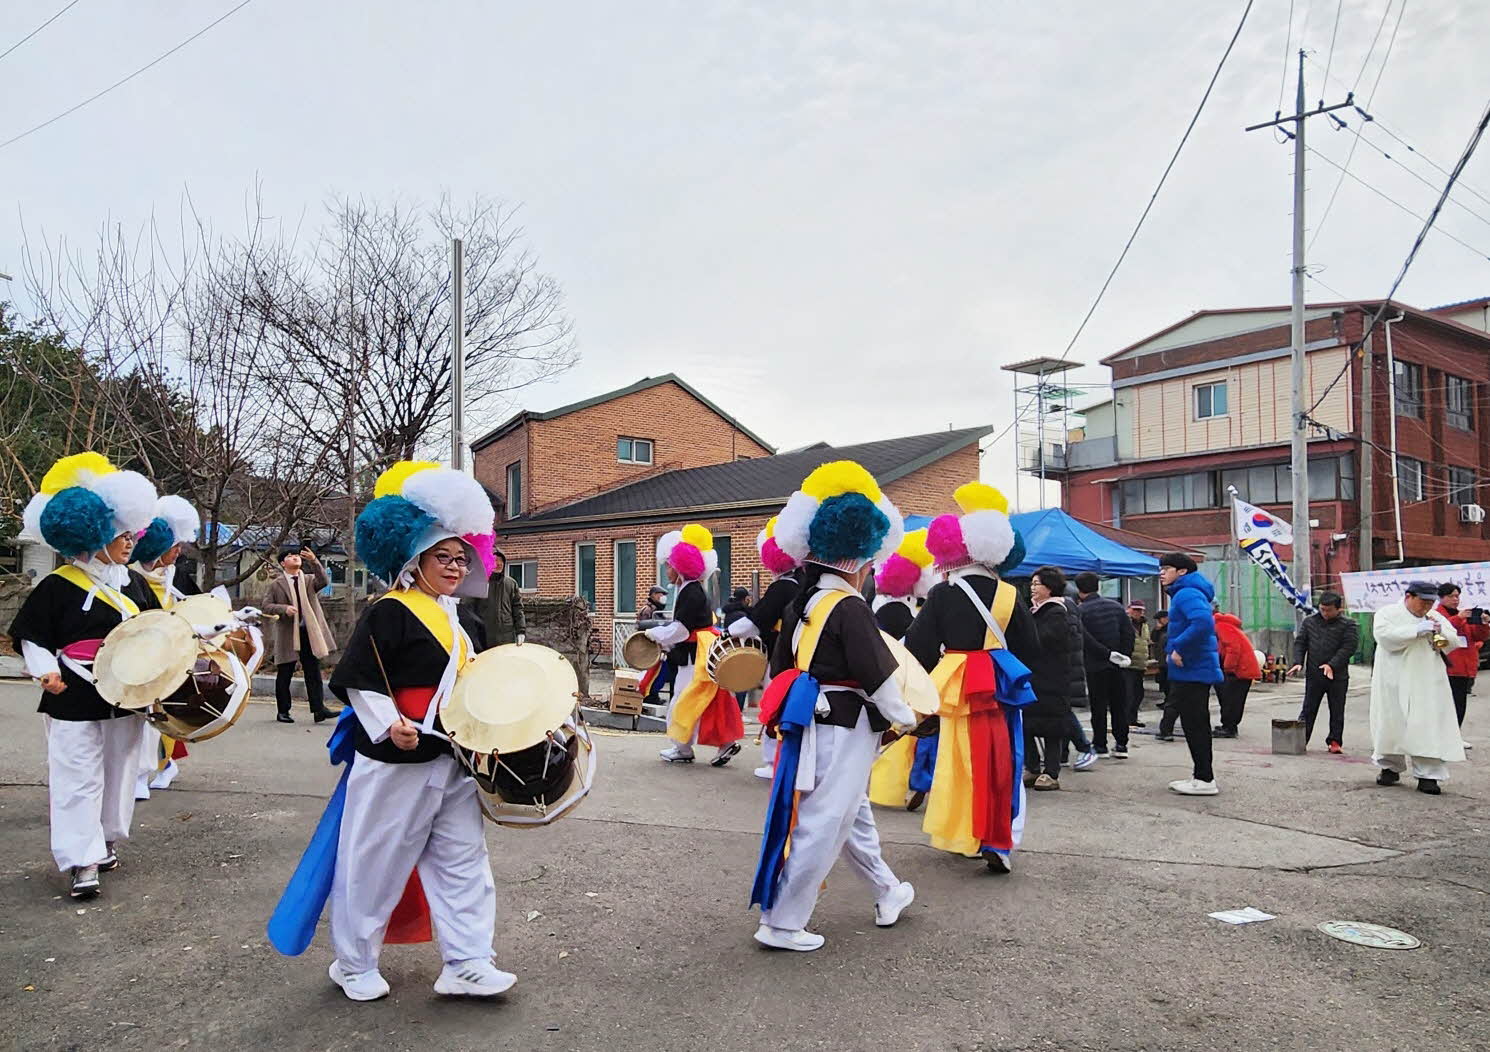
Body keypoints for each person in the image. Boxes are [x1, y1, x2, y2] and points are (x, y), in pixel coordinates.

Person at [271, 460, 514, 1001]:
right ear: (414, 559)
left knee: (464, 861)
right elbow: (358, 680)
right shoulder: (389, 612)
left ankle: (468, 961)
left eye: (461, 557)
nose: (455, 567)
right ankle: (353, 962)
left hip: (453, 760)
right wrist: (388, 726)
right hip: (394, 760)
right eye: (442, 558)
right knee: (374, 863)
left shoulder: (466, 621)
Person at [749, 460, 918, 951]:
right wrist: (907, 719)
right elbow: (880, 676)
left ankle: (888, 890)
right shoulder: (847, 605)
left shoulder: (800, 603)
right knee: (826, 822)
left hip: (807, 723)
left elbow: (781, 670)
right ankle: (782, 921)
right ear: (863, 557)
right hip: (845, 729)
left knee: (849, 815)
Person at [9, 452, 160, 899]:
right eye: (121, 534)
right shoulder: (58, 584)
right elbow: (32, 635)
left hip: (125, 695)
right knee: (76, 776)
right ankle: (82, 859)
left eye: (131, 533)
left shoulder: (134, 584)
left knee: (119, 772)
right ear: (95, 535)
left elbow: (158, 633)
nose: (130, 541)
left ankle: (107, 838)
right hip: (72, 693)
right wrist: (45, 671)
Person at [905, 482, 1039, 874]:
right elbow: (1030, 647)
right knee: (1002, 760)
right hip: (999, 685)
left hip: (957, 684)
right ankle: (999, 837)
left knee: (958, 762)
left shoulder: (944, 594)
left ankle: (963, 832)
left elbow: (919, 646)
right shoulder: (1009, 593)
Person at [647, 524, 745, 766]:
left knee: (684, 700)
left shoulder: (690, 592)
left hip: (694, 655)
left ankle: (682, 747)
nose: (666, 569)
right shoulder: (691, 589)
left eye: (669, 565)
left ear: (679, 566)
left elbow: (681, 630)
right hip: (700, 652)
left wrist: (654, 633)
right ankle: (722, 744)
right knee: (707, 699)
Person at [127, 494, 204, 796]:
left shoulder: (176, 576)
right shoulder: (131, 578)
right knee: (141, 719)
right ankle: (146, 770)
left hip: (171, 655)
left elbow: (197, 604)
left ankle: (157, 767)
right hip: (140, 654)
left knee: (160, 717)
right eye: (174, 547)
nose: (179, 552)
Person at [725, 517, 804, 779]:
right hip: (801, 654)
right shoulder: (805, 583)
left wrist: (731, 631)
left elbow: (757, 621)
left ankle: (773, 761)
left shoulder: (782, 586)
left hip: (780, 656)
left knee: (773, 705)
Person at [1370, 581, 1467, 795]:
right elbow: (1385, 638)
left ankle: (1428, 775)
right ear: (1409, 596)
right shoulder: (1387, 613)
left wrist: (1440, 634)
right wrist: (1415, 630)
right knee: (1391, 722)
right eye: (1422, 601)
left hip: (1427, 679)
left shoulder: (1435, 617)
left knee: (1426, 724)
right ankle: (1390, 766)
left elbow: (1451, 643)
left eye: (1430, 602)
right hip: (1394, 678)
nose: (1426, 607)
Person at [866, 528, 939, 808]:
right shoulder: (906, 613)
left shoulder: (883, 611)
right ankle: (916, 781)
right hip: (910, 677)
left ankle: (895, 785)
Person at [1158, 554, 1222, 795]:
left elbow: (1203, 623)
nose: (1162, 573)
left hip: (1193, 669)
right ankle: (1201, 776)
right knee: (1194, 723)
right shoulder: (1186, 591)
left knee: (1195, 724)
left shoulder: (1187, 593)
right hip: (1193, 669)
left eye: (1166, 569)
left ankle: (1205, 779)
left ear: (1182, 571)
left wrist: (1178, 647)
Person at [262, 545, 340, 724]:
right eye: (290, 556)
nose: (295, 557)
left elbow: (324, 581)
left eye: (297, 555)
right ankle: (283, 711)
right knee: (285, 672)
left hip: (309, 633)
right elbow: (265, 606)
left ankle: (319, 709)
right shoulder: (276, 584)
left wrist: (314, 561)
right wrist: (283, 609)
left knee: (313, 672)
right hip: (289, 633)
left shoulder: (310, 580)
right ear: (283, 563)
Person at [1022, 566, 1076, 790]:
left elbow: (1044, 640)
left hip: (1052, 678)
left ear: (1050, 587)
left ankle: (1051, 772)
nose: (1033, 588)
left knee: (1052, 726)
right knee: (1027, 724)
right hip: (1033, 676)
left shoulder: (1057, 612)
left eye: (1037, 584)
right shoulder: (1036, 610)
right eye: (1032, 584)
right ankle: (1032, 767)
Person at [1073, 572, 1134, 759]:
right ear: (1098, 586)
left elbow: (1085, 639)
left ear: (1079, 589)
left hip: (1095, 665)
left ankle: (1100, 745)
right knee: (1119, 705)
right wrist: (1123, 656)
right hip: (1118, 666)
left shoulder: (1081, 611)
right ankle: (1122, 744)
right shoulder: (1116, 607)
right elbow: (1129, 634)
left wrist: (1106, 655)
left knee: (1098, 706)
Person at [1288, 592, 1359, 753]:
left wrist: (1331, 665)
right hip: (1314, 674)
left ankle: (1334, 741)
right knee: (1308, 708)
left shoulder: (1348, 625)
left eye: (1329, 610)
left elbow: (1349, 648)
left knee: (1337, 709)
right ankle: (1300, 740)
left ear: (1338, 609)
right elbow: (1301, 643)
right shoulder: (1310, 622)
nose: (1325, 613)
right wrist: (1298, 662)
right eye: (1322, 609)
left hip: (1337, 675)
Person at [1433, 582, 1487, 748]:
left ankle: (1455, 735)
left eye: (1457, 596)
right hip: (1447, 667)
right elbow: (1442, 633)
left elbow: (1479, 637)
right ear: (1441, 598)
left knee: (1459, 704)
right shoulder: (1436, 615)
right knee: (1443, 704)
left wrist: (1482, 623)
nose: (1455, 599)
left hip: (1465, 667)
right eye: (1451, 596)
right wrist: (1459, 618)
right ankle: (1440, 736)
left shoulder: (1464, 616)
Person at [1212, 608, 1261, 738]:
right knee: (1232, 698)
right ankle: (1229, 725)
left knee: (1231, 699)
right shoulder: (1226, 625)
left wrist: (1228, 669)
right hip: (1243, 669)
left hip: (1239, 670)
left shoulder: (1221, 626)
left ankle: (1229, 727)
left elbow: (1233, 648)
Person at [477, 548, 526, 647]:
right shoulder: (480, 583)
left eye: (501, 560)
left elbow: (518, 609)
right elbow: (471, 609)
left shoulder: (511, 583)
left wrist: (521, 631)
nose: (498, 563)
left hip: (506, 636)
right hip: (484, 636)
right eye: (495, 560)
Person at [637, 586, 675, 705]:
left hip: (660, 648)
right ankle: (650, 695)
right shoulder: (647, 611)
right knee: (653, 673)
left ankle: (654, 694)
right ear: (653, 595)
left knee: (661, 673)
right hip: (651, 649)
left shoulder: (658, 611)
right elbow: (645, 630)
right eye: (660, 594)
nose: (662, 598)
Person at [1125, 601, 1150, 727]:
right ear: (1129, 609)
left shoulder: (1144, 624)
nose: (1138, 613)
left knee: (1138, 693)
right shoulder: (1125, 622)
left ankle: (1133, 718)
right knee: (1128, 693)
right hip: (1128, 664)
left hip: (1140, 664)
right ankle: (1125, 718)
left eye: (1140, 610)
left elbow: (1146, 642)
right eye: (1135, 610)